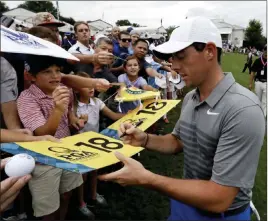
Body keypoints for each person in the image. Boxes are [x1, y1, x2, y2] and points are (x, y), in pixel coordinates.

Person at [98, 17, 265, 221]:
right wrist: (145, 139)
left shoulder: (243, 109)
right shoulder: (191, 97)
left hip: (222, 214)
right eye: (172, 57)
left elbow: (220, 198)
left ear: (210, 52)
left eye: (181, 56)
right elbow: (179, 140)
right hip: (185, 199)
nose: (174, 66)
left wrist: (148, 179)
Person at [17, 54, 84, 220]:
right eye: (47, 71)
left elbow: (70, 109)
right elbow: (42, 135)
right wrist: (58, 110)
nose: (55, 76)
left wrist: (72, 117)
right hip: (43, 161)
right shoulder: (27, 98)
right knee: (48, 208)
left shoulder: (64, 89)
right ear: (31, 76)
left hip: (66, 151)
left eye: (58, 70)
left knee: (66, 194)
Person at [73, 72, 124, 217]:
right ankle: (81, 202)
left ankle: (94, 195)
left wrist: (134, 113)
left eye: (92, 85)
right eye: (85, 85)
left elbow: (114, 116)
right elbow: (72, 128)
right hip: (79, 146)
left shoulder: (97, 102)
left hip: (94, 143)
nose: (91, 88)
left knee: (95, 170)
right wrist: (79, 122)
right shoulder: (74, 107)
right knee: (82, 176)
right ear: (76, 89)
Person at [249, 45, 267, 117]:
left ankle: (263, 117)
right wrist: (250, 83)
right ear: (263, 50)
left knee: (265, 102)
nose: (266, 52)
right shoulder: (258, 61)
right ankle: (257, 115)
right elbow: (252, 72)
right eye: (265, 50)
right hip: (258, 82)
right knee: (258, 100)